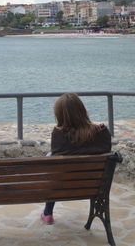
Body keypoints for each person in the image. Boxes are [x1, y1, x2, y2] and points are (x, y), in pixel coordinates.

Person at [41, 93, 112, 225]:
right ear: (82, 110)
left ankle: (48, 212)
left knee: (50, 158)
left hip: (63, 185)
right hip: (94, 186)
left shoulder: (58, 135)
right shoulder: (102, 132)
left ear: (60, 115)